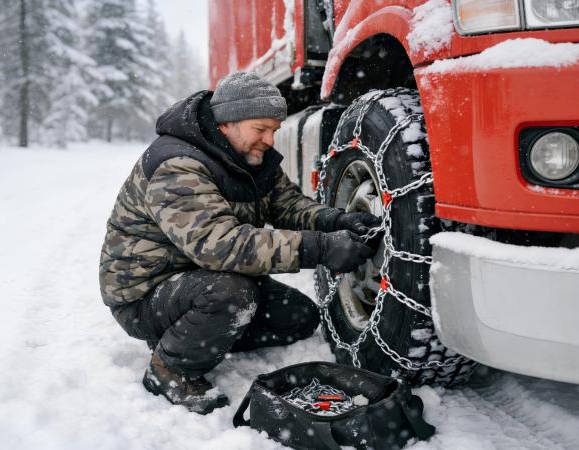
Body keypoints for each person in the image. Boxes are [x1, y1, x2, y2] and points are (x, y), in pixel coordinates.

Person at [99, 72, 380, 414]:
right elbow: (220, 245)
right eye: (260, 129)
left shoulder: (248, 158)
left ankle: (194, 332)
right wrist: (319, 248)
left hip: (202, 276)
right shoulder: (177, 166)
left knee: (299, 317)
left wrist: (335, 220)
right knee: (232, 295)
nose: (269, 139)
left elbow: (287, 205)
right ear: (226, 124)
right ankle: (171, 369)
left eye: (274, 130)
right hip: (147, 293)